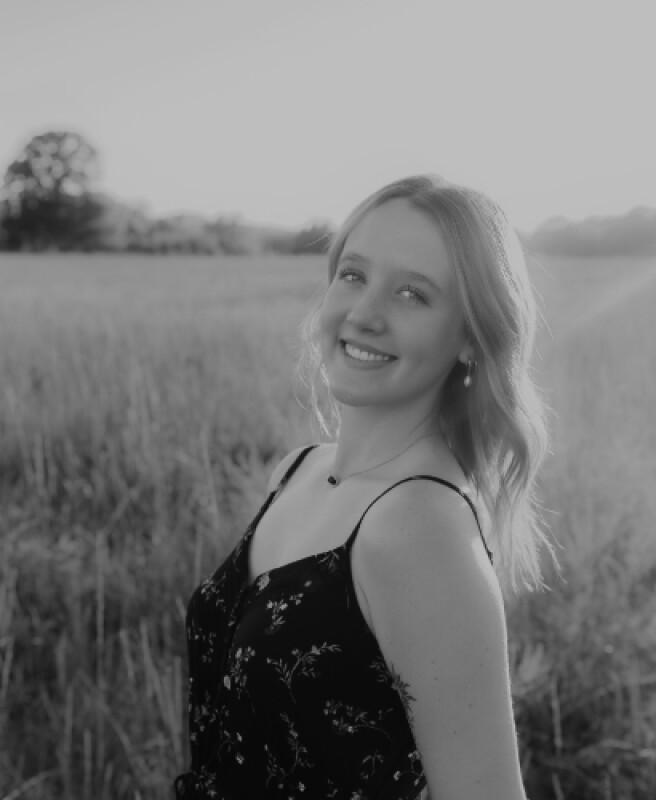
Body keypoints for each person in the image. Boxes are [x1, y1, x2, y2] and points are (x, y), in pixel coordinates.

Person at [175, 175, 552, 800]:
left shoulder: (418, 525)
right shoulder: (296, 472)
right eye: (353, 275)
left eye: (412, 293)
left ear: (469, 337)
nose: (364, 314)